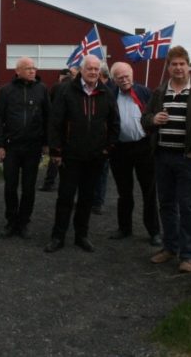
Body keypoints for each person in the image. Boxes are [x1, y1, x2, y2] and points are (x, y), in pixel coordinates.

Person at [141, 46, 191, 273]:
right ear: (168, 67)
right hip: (162, 156)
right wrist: (153, 119)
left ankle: (188, 254)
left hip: (188, 157)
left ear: (188, 66)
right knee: (167, 204)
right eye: (174, 64)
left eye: (182, 64)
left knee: (188, 206)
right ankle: (170, 247)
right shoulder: (160, 91)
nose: (178, 68)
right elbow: (145, 118)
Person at [44, 55, 120, 253]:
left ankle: (81, 235)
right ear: (81, 70)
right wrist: (56, 151)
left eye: (96, 69)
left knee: (87, 198)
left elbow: (114, 123)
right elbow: (55, 122)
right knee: (65, 197)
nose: (93, 72)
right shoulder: (66, 90)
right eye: (89, 68)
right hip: (70, 155)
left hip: (95, 156)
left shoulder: (106, 93)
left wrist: (107, 149)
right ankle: (58, 236)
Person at [0, 57, 51, 238]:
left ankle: (24, 222)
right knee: (10, 186)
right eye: (28, 68)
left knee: (29, 187)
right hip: (11, 147)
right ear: (17, 71)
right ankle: (11, 221)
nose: (32, 71)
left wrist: (46, 143)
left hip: (33, 147)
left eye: (34, 68)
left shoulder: (42, 89)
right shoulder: (6, 91)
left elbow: (48, 117)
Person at [108, 62, 161, 246]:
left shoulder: (144, 92)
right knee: (124, 192)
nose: (124, 80)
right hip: (119, 149)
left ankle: (154, 231)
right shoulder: (110, 94)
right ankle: (124, 228)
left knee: (149, 191)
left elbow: (154, 115)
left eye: (127, 76)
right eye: (120, 77)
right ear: (114, 79)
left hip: (144, 147)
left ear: (132, 75)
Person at [39, 68, 72, 192]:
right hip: (71, 129)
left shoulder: (56, 87)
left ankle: (49, 182)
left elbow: (49, 105)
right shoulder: (76, 88)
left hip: (57, 127)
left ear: (60, 77)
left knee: (55, 155)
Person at [91, 62, 115, 214]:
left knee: (101, 173)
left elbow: (113, 120)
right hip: (92, 140)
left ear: (100, 75)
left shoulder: (110, 91)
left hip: (104, 141)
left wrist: (109, 144)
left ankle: (97, 202)